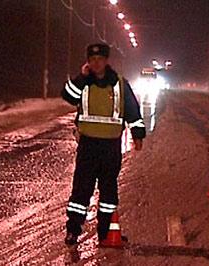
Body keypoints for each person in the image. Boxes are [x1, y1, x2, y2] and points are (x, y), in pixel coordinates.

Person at [61, 43, 146, 245]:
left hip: (110, 146)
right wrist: (82, 77)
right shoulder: (84, 83)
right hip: (88, 145)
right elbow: (67, 96)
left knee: (108, 190)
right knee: (81, 190)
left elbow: (132, 111)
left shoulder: (119, 84)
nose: (96, 63)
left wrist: (138, 134)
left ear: (106, 61)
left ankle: (105, 231)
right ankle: (73, 231)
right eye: (92, 60)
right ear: (88, 62)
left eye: (99, 59)